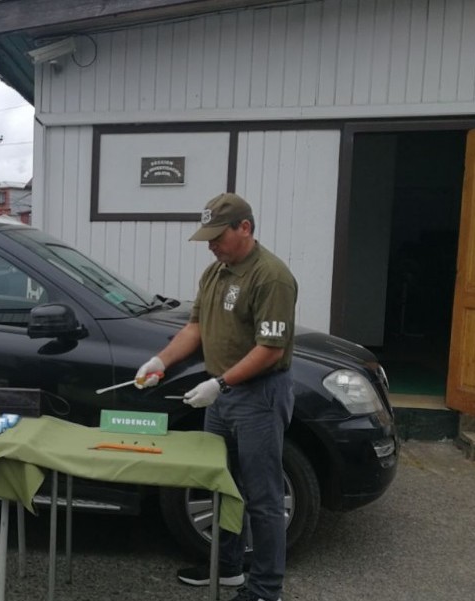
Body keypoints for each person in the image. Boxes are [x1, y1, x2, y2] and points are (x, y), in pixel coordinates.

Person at [135, 193, 296, 601]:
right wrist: (160, 361)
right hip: (222, 397)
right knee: (222, 485)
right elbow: (196, 329)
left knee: (262, 496)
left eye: (217, 236)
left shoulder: (270, 276)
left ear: (245, 228)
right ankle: (226, 569)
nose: (211, 245)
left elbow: (270, 349)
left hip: (258, 395)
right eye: (207, 238)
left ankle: (265, 588)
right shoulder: (215, 273)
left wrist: (221, 383)